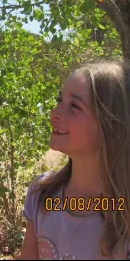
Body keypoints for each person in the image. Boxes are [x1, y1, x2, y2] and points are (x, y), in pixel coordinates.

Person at [20, 59, 130, 260]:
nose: (54, 114)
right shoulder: (41, 195)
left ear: (111, 124)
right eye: (59, 100)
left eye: (74, 106)